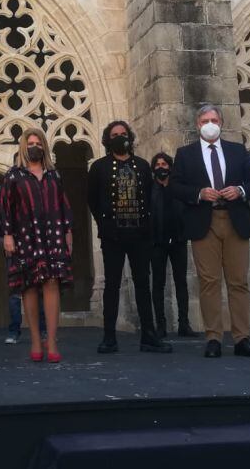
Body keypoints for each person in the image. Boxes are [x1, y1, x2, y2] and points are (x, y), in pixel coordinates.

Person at [170, 104, 250, 358]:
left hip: (235, 219)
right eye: (204, 120)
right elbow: (175, 186)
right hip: (205, 221)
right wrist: (198, 193)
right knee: (209, 282)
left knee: (238, 282)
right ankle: (213, 338)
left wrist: (240, 191)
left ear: (221, 123)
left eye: (214, 119)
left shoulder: (237, 151)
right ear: (197, 124)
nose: (210, 124)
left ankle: (242, 338)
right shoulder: (186, 154)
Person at [87, 120, 172, 354]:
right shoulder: (99, 167)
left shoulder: (143, 166)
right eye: (114, 134)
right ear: (107, 139)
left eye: (123, 134)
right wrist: (104, 223)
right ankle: (109, 337)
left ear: (130, 137)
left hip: (140, 235)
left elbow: (150, 197)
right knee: (112, 285)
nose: (119, 137)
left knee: (143, 284)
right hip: (113, 235)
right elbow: (92, 199)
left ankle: (149, 336)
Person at [0, 127, 73, 362]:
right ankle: (34, 342)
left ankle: (51, 342)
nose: (35, 147)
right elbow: (5, 208)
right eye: (30, 143)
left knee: (52, 283)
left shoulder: (54, 175)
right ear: (23, 146)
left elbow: (63, 205)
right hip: (25, 236)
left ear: (44, 147)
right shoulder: (14, 175)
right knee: (29, 287)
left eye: (39, 143)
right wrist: (8, 236)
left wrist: (68, 232)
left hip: (53, 235)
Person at [150, 152, 197, 340]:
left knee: (181, 282)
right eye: (158, 164)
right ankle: (160, 325)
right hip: (157, 242)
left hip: (178, 239)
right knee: (158, 284)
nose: (161, 167)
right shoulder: (150, 189)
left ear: (170, 167)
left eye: (164, 164)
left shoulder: (178, 188)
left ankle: (183, 324)